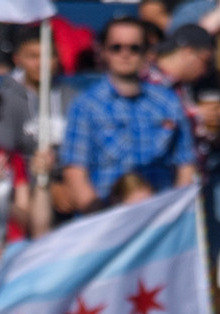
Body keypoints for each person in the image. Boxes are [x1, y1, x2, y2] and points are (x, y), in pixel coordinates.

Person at [62, 15, 199, 211]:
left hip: (160, 217)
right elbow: (75, 172)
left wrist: (174, 214)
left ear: (147, 53)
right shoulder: (85, 105)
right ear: (103, 52)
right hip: (107, 217)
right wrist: (100, 221)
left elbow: (186, 164)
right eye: (116, 47)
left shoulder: (168, 102)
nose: (125, 54)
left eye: (134, 48)